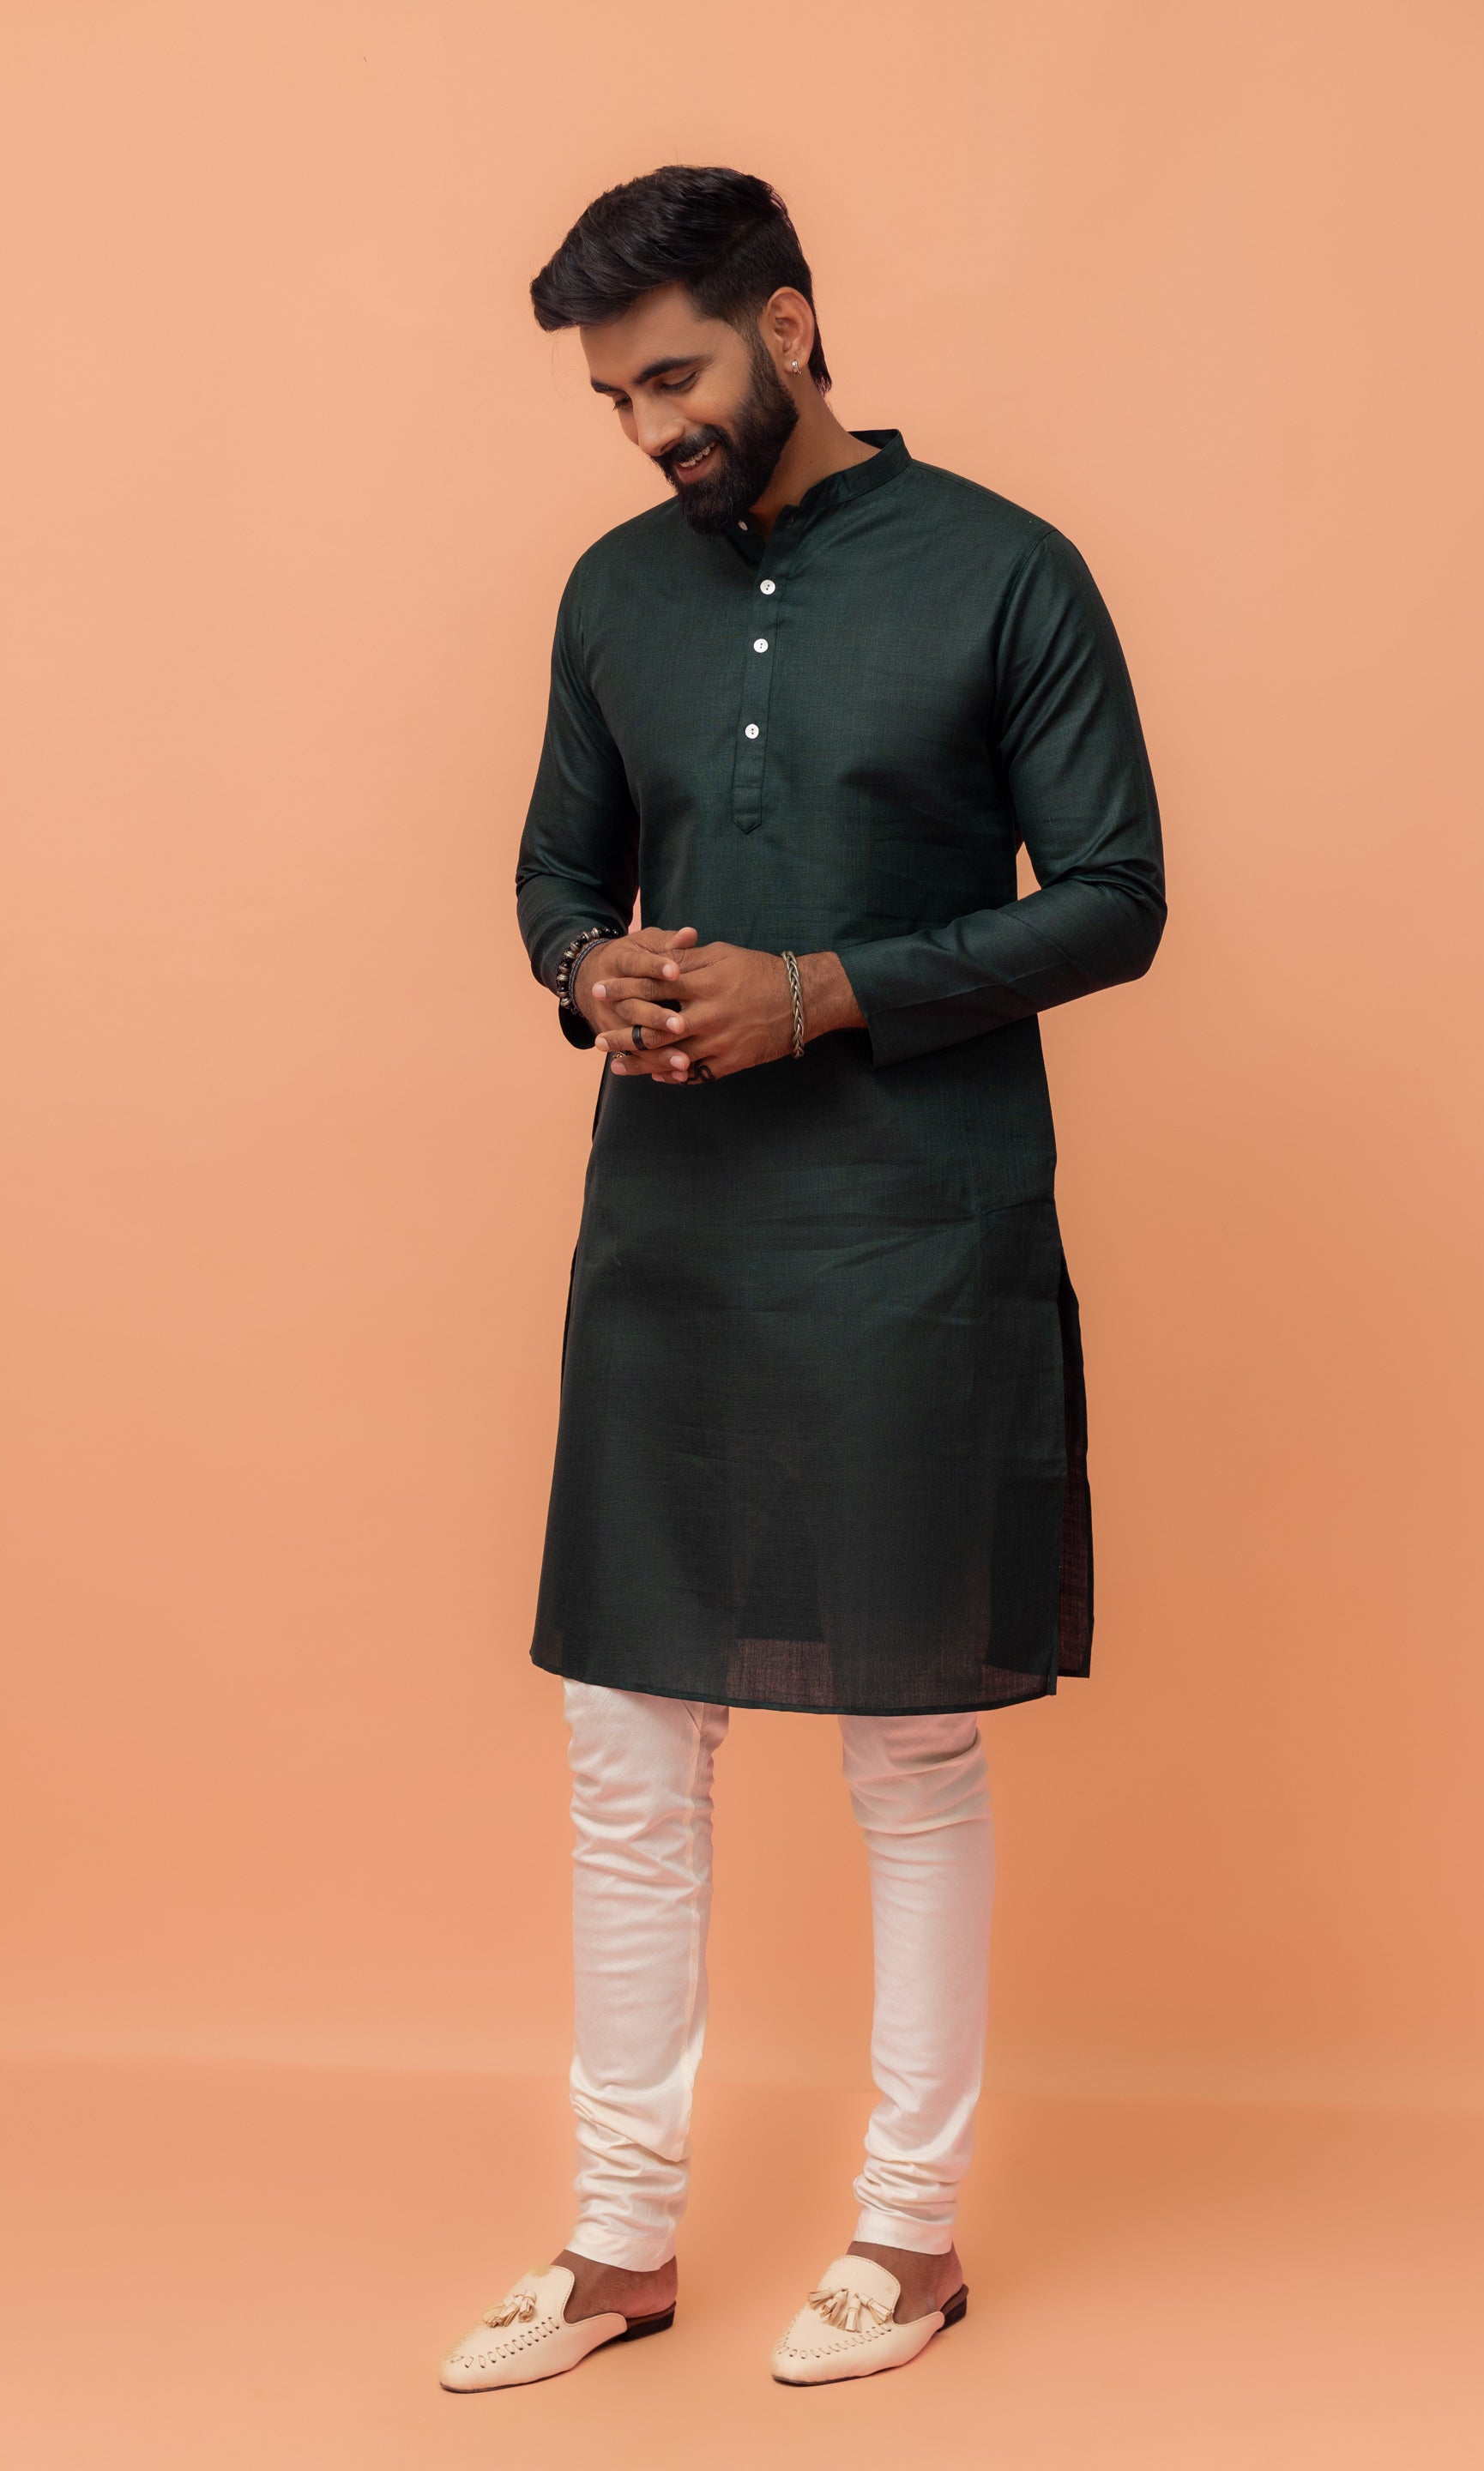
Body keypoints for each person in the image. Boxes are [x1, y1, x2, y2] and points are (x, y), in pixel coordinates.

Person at [439, 165, 1165, 2394]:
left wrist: (823, 991)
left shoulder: (1005, 570)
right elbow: (556, 868)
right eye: (612, 396)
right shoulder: (612, 593)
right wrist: (592, 967)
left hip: (912, 1232)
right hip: (671, 1235)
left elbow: (1117, 896)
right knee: (626, 1740)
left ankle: (910, 2237)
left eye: (671, 375)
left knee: (906, 1743)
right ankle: (619, 2241)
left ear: (786, 321)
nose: (648, 425)